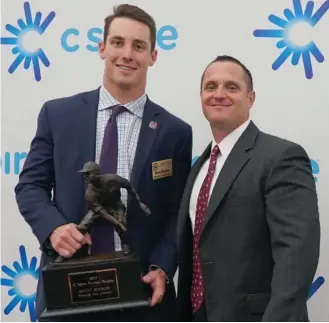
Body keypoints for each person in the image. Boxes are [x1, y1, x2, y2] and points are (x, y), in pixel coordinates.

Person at [15, 4, 192, 322]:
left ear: (153, 56)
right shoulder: (58, 115)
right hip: (67, 293)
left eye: (139, 46)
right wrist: (54, 228)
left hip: (142, 296)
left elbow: (177, 211)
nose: (127, 54)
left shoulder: (174, 132)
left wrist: (163, 267)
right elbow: (30, 186)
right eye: (118, 42)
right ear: (101, 48)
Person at [176, 55, 320, 322]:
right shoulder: (199, 168)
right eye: (211, 87)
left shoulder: (281, 157)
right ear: (201, 97)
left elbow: (296, 256)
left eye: (232, 87)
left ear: (251, 98)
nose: (219, 94)